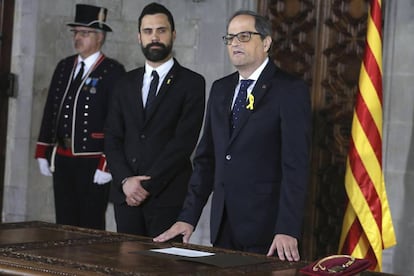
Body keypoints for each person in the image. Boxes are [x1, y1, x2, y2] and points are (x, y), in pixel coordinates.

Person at [154, 10, 311, 262]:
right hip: (223, 226)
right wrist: (187, 217)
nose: (235, 43)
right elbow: (206, 161)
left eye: (244, 36)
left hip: (268, 232)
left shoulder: (289, 91)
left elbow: (296, 166)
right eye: (230, 38)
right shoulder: (220, 89)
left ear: (267, 42)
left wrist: (287, 228)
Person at [104, 3, 205, 238]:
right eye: (148, 31)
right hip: (126, 197)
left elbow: (183, 143)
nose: (155, 37)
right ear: (139, 37)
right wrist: (126, 181)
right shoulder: (124, 83)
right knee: (126, 269)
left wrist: (145, 186)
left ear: (173, 34)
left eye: (161, 30)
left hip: (168, 196)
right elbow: (112, 138)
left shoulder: (192, 83)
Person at [35, 4, 125, 230]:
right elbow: (51, 109)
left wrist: (107, 164)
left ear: (100, 37)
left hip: (92, 161)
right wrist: (42, 149)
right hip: (63, 158)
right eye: (76, 32)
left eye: (84, 33)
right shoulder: (64, 66)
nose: (78, 38)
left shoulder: (113, 71)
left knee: (90, 224)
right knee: (63, 222)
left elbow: (117, 122)